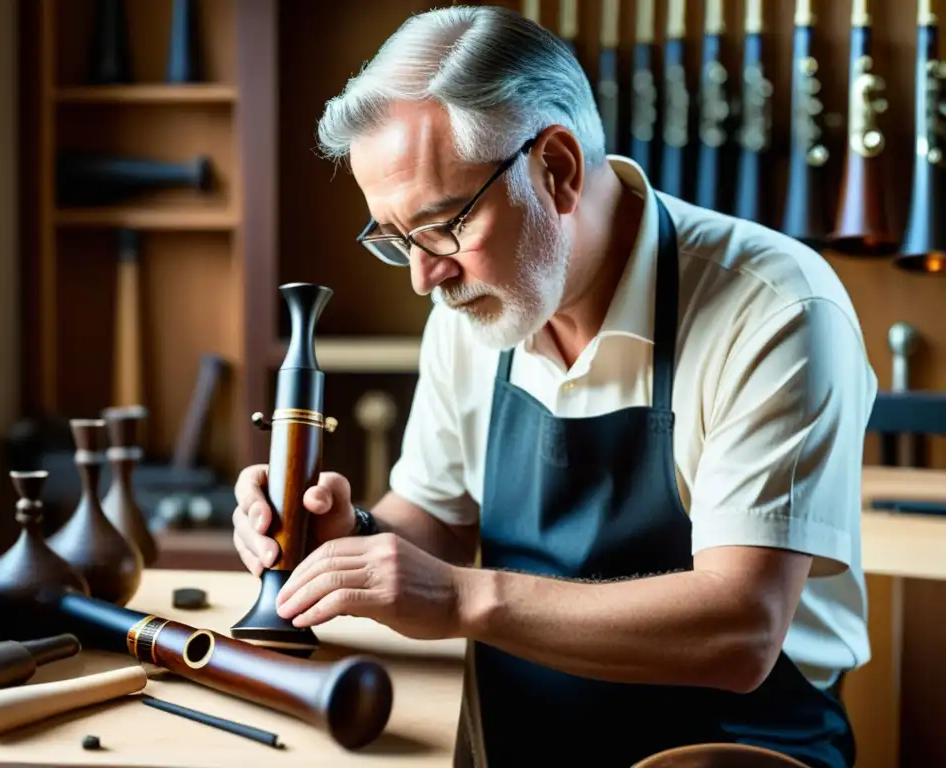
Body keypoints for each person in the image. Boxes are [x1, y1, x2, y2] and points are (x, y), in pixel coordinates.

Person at [231, 6, 876, 767]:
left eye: (443, 227)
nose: (422, 277)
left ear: (558, 170)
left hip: (731, 744)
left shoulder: (775, 308)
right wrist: (350, 538)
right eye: (396, 239)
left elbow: (739, 631)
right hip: (518, 734)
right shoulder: (477, 309)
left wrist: (461, 598)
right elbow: (435, 517)